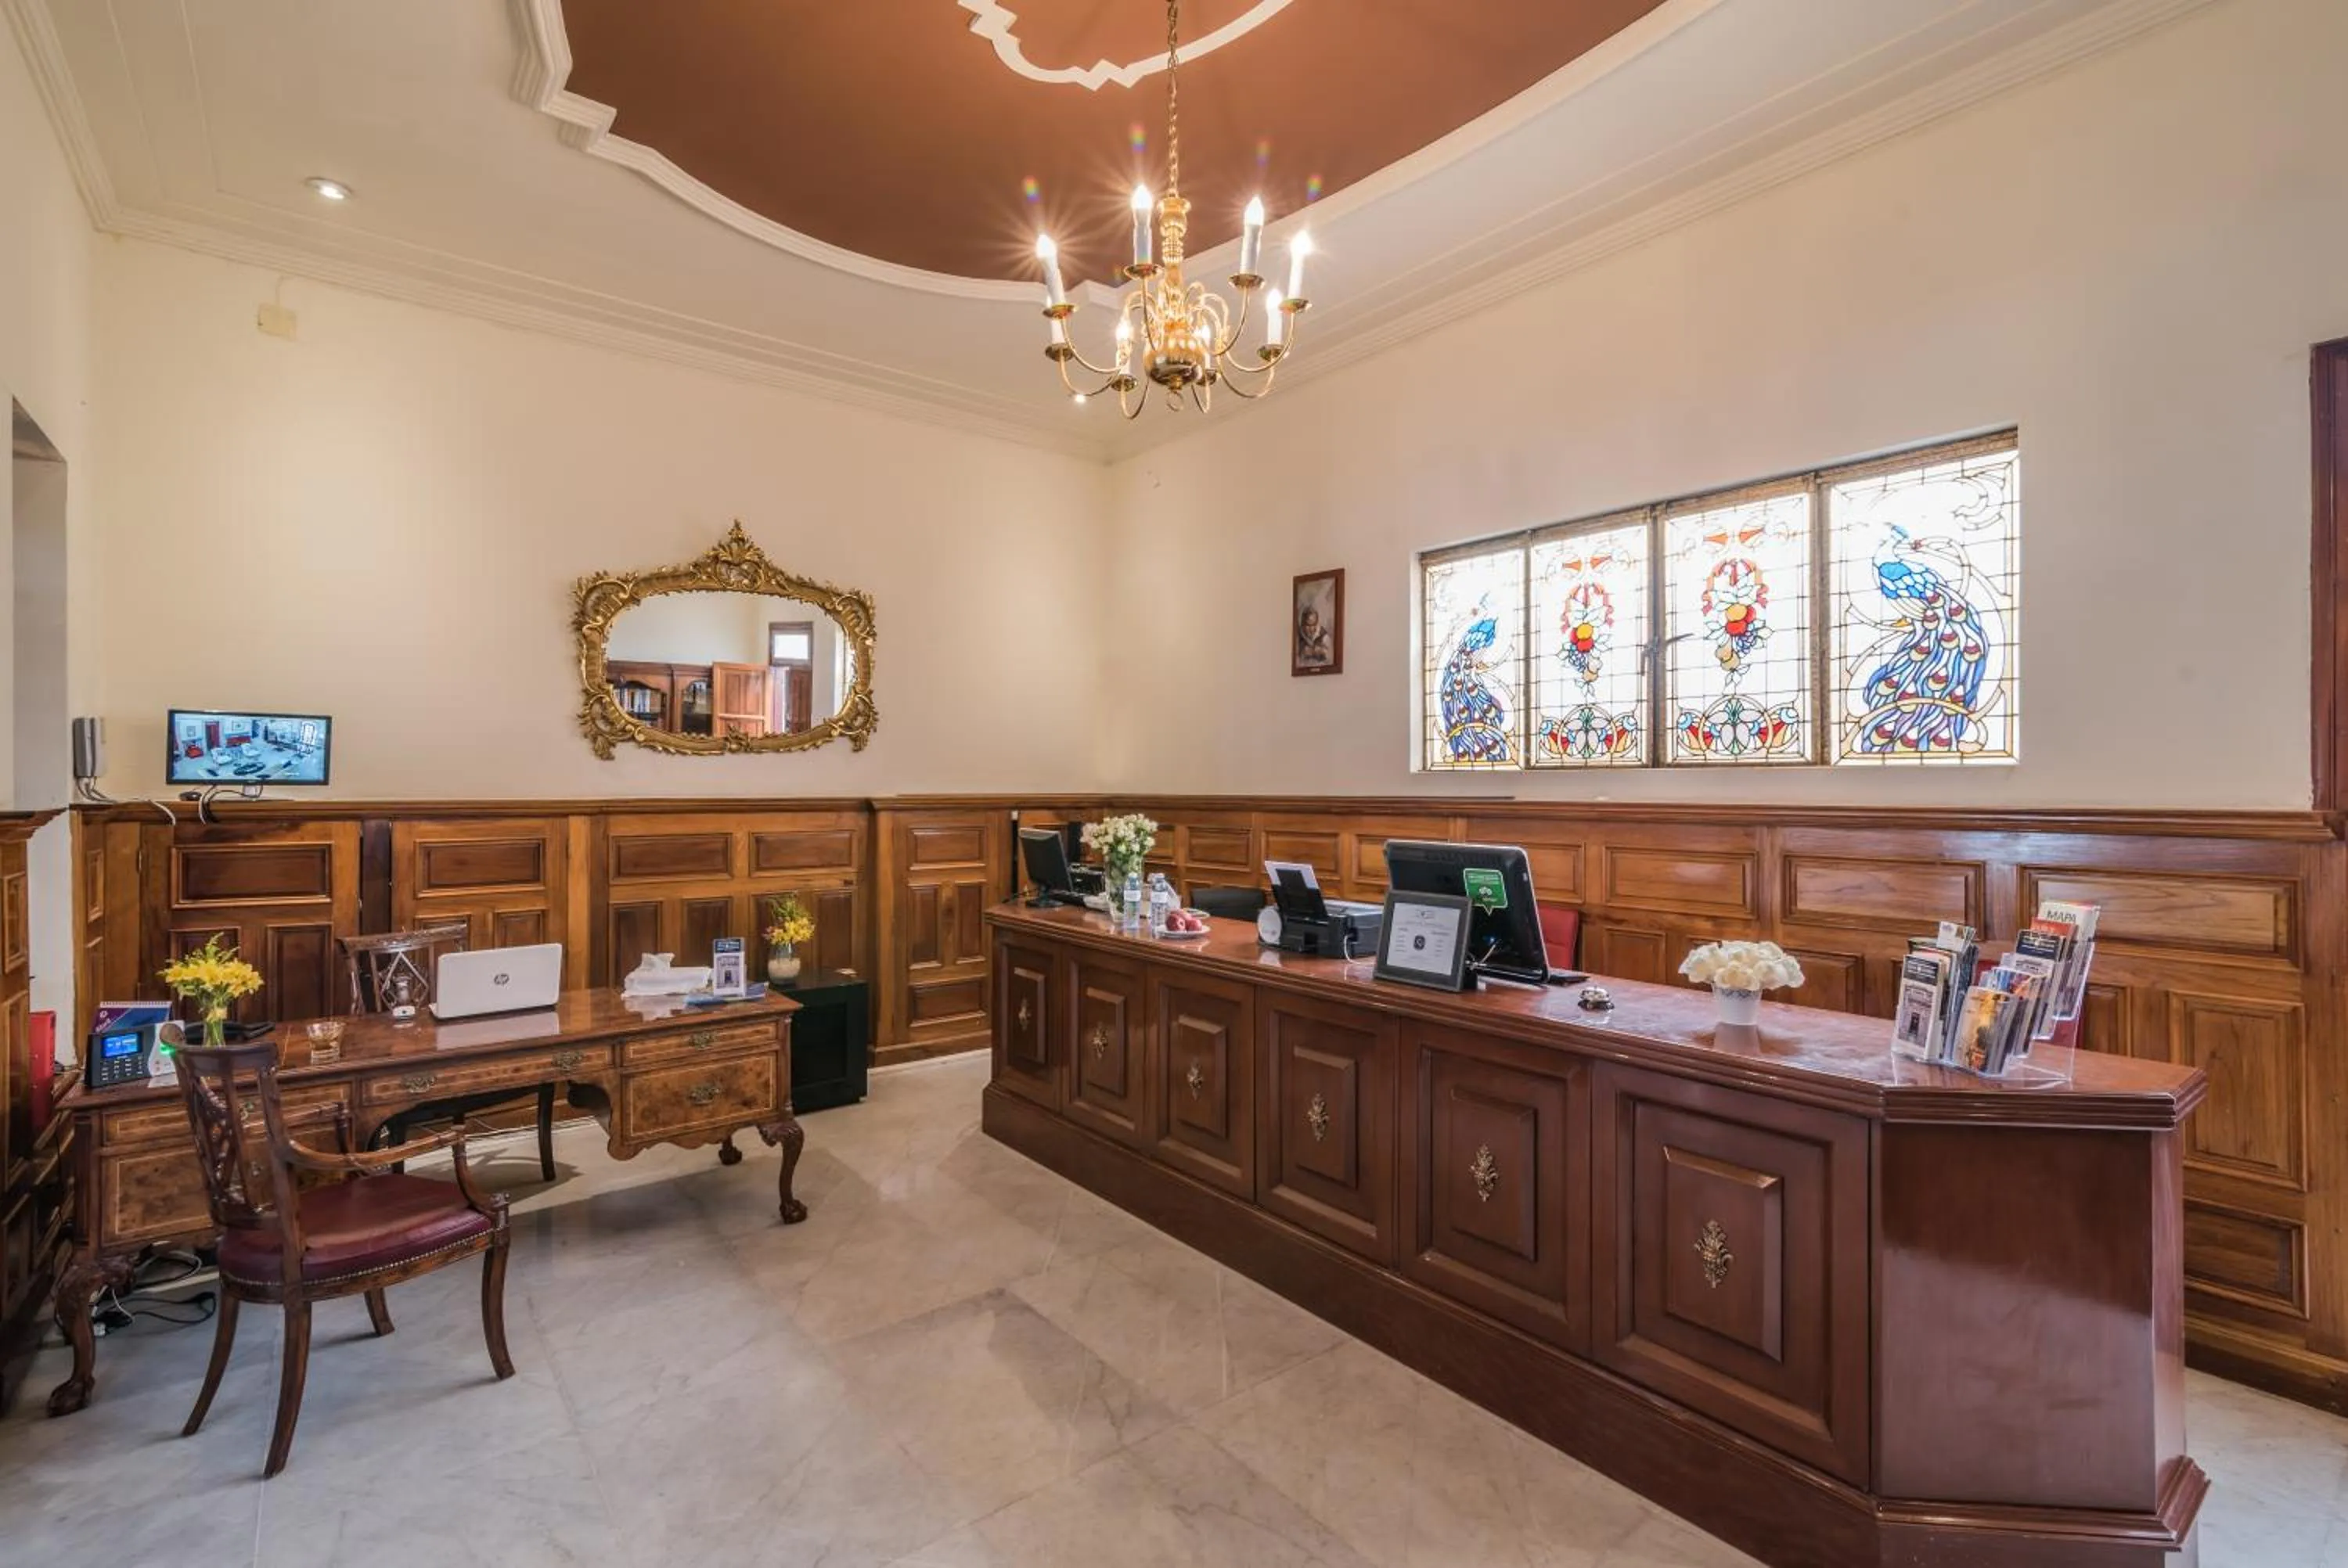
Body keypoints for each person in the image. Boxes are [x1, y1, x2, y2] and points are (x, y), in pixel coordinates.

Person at [1296, 603, 1333, 667]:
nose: (1311, 629)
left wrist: (1322, 651)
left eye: (1314, 625)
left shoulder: (1323, 635)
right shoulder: (1298, 635)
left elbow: (1331, 657)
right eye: (1308, 625)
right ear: (1303, 625)